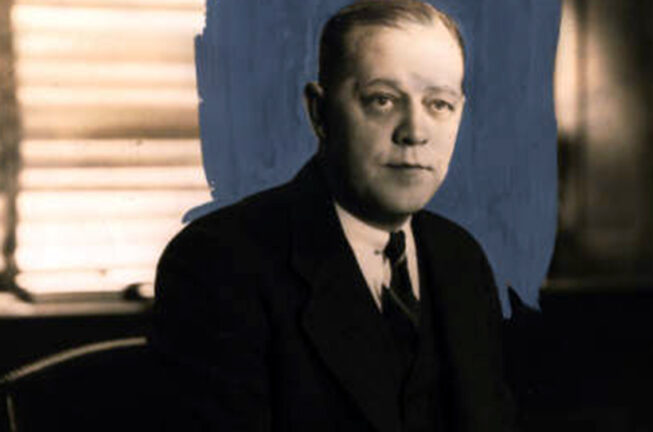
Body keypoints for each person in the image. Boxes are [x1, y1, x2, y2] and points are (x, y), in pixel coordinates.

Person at [150, 1, 516, 430]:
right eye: (382, 100)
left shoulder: (461, 258)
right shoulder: (220, 262)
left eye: (439, 104)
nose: (415, 132)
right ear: (320, 113)